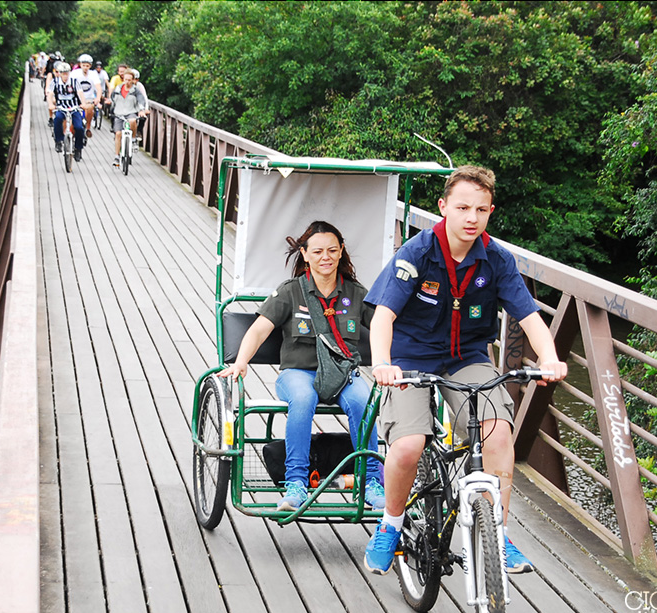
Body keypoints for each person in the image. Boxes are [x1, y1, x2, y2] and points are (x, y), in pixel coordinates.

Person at [361, 165, 568, 575]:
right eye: (462, 208)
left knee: (497, 432)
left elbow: (529, 317)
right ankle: (391, 524)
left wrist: (549, 357)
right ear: (443, 207)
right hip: (409, 358)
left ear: (491, 211)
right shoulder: (418, 253)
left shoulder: (497, 259)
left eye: (481, 209)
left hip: (466, 357)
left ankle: (499, 534)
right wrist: (382, 363)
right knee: (408, 444)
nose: (471, 218)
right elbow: (383, 315)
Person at [218, 221, 386, 512]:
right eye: (318, 251)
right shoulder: (291, 291)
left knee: (363, 400)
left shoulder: (355, 292)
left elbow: (384, 326)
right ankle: (295, 481)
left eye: (332, 250)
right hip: (298, 372)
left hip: (343, 372)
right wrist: (241, 362)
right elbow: (258, 330)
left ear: (341, 251)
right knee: (304, 398)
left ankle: (371, 480)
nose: (326, 257)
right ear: (305, 254)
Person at [47, 61, 89, 162]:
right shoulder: (55, 82)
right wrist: (51, 104)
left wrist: (83, 103)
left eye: (67, 73)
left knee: (79, 127)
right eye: (63, 73)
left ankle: (78, 148)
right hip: (61, 107)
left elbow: (80, 93)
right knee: (57, 119)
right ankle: (58, 141)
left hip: (74, 107)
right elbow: (50, 94)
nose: (65, 76)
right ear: (59, 73)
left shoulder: (74, 81)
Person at [109, 69, 146, 167]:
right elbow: (112, 99)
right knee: (118, 134)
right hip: (119, 113)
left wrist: (141, 110)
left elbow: (141, 100)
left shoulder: (135, 91)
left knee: (132, 121)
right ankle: (117, 156)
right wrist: (110, 104)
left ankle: (133, 139)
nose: (127, 82)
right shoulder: (118, 89)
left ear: (133, 80)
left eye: (129, 80)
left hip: (131, 112)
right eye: (126, 79)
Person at [70, 54, 103, 139]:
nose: (85, 67)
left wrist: (98, 98)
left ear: (90, 66)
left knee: (90, 109)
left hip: (89, 99)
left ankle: (88, 128)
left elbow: (98, 88)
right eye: (83, 65)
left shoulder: (93, 74)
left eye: (87, 66)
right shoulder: (75, 73)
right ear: (80, 65)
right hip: (77, 98)